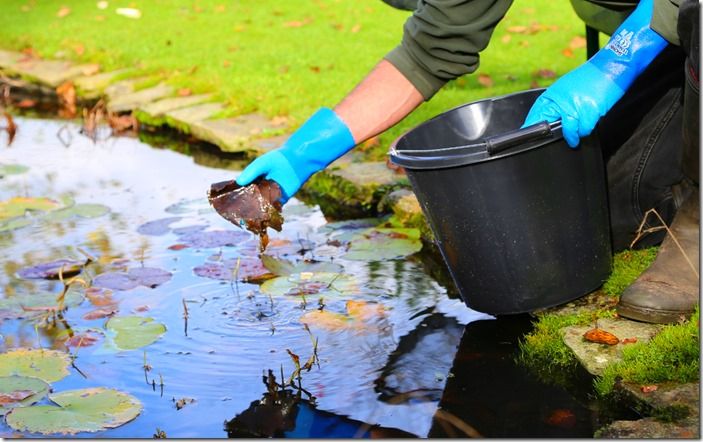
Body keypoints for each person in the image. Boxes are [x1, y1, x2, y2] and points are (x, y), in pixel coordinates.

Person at [236, 0, 699, 324]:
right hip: (671, 52)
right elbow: (430, 48)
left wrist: (616, 62)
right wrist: (301, 156)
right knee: (610, 216)